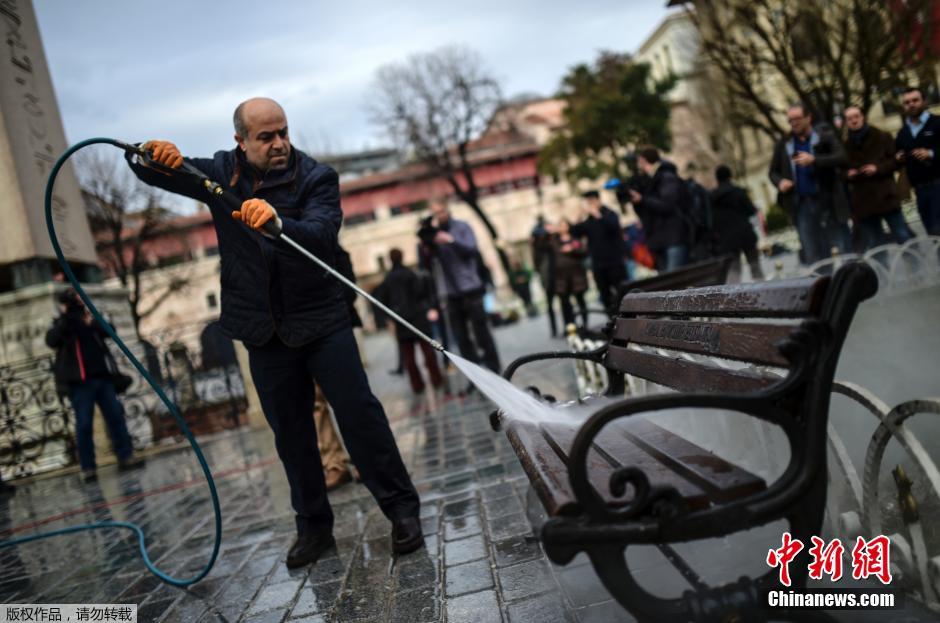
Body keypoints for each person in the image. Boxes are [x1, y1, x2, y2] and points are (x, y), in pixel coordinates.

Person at [127, 97, 422, 568]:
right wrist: (147, 154)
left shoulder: (317, 177)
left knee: (360, 416)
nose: (279, 143)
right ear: (240, 141)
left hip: (322, 319)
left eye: (283, 132)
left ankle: (403, 511)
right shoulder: (221, 173)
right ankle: (314, 528)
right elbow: (164, 172)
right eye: (266, 136)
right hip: (262, 330)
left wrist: (279, 222)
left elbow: (323, 233)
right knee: (291, 433)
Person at [45, 288, 145, 482]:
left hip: (103, 378)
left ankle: (126, 456)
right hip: (80, 382)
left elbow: (111, 332)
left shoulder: (90, 318)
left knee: (116, 416)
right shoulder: (63, 323)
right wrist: (66, 317)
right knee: (83, 424)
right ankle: (88, 467)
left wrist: (93, 317)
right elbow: (52, 340)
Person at [418, 200, 501, 375]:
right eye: (435, 213)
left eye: (441, 211)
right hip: (449, 292)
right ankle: (475, 373)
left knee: (481, 332)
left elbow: (472, 249)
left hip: (470, 287)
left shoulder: (462, 227)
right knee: (461, 338)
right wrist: (426, 244)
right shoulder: (432, 235)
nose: (439, 216)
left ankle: (495, 368)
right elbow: (426, 266)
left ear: (448, 210)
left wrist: (451, 241)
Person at [769, 104, 851, 264]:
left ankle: (851, 283)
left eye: (797, 119)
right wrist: (780, 182)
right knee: (813, 255)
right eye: (790, 120)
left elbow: (842, 157)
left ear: (808, 118)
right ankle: (824, 286)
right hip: (802, 205)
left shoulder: (824, 135)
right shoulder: (783, 143)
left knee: (843, 248)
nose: (794, 123)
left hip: (828, 201)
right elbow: (772, 172)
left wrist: (815, 160)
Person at [842, 106, 914, 250]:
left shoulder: (882, 136)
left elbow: (897, 161)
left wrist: (878, 168)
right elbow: (841, 171)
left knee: (902, 235)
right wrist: (848, 174)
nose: (854, 121)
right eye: (849, 119)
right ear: (846, 122)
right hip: (864, 202)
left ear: (863, 117)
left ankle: (915, 265)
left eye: (856, 116)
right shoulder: (845, 146)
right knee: (876, 244)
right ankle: (882, 271)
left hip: (886, 195)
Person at [375, 248, 445, 396]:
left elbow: (384, 300)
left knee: (409, 357)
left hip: (401, 321)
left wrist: (391, 315)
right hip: (418, 318)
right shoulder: (411, 274)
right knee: (428, 352)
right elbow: (420, 292)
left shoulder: (388, 279)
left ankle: (417, 385)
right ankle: (436, 379)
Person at [627, 147, 691, 272]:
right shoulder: (649, 181)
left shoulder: (666, 177)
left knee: (675, 283)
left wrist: (643, 199)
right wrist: (638, 202)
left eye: (640, 162)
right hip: (658, 240)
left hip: (673, 238)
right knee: (667, 285)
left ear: (644, 161)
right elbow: (645, 212)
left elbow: (667, 205)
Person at [569, 190, 626, 313]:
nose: (590, 204)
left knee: (622, 291)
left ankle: (628, 318)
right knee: (605, 295)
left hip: (614, 261)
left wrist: (597, 214)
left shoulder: (610, 213)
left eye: (592, 201)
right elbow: (574, 232)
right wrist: (579, 214)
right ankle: (612, 320)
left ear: (598, 200)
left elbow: (613, 227)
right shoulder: (588, 221)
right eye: (588, 202)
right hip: (598, 264)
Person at [894, 86, 940, 236]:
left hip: (938, 184)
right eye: (907, 102)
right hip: (920, 191)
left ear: (924, 101)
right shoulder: (903, 132)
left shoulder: (936, 123)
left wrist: (931, 153)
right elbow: (898, 157)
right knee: (933, 235)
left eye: (915, 100)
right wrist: (898, 158)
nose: (911, 104)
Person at [710, 166, 765, 282]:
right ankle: (762, 289)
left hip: (727, 238)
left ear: (717, 179)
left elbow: (712, 219)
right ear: (730, 176)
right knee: (755, 265)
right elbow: (751, 210)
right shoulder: (738, 191)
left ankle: (733, 294)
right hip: (745, 234)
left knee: (734, 269)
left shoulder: (712, 197)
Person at [552, 220, 589, 328]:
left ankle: (585, 323)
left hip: (576, 274)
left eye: (564, 225)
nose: (562, 228)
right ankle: (570, 325)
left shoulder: (574, 239)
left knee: (580, 299)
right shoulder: (554, 241)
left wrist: (572, 249)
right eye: (560, 225)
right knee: (565, 302)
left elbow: (584, 251)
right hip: (562, 277)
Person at [530, 216, 558, 337]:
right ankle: (554, 329)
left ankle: (562, 328)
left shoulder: (552, 245)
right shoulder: (538, 251)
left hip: (556, 277)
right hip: (548, 279)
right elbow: (538, 268)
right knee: (550, 304)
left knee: (561, 302)